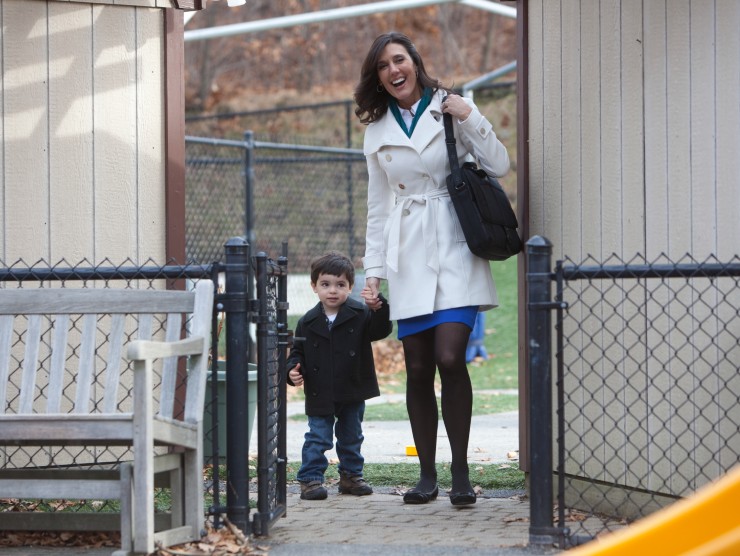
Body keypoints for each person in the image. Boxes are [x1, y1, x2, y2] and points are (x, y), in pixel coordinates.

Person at [354, 32, 510, 506]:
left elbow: (499, 164)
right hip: (407, 252)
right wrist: (373, 272)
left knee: (449, 358)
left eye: (399, 60)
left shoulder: (451, 107)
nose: (393, 70)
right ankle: (427, 476)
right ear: (377, 77)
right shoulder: (376, 129)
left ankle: (461, 473)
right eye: (382, 66)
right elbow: (378, 208)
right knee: (418, 368)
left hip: (456, 244)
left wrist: (473, 117)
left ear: (415, 62)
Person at [287, 251, 392, 500]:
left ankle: (351, 476)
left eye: (340, 285)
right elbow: (297, 353)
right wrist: (291, 371)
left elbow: (380, 330)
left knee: (351, 435)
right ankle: (311, 479)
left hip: (352, 386)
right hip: (319, 389)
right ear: (314, 286)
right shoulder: (307, 321)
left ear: (350, 287)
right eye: (325, 284)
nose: (332, 290)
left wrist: (378, 307)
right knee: (317, 436)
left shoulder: (360, 313)